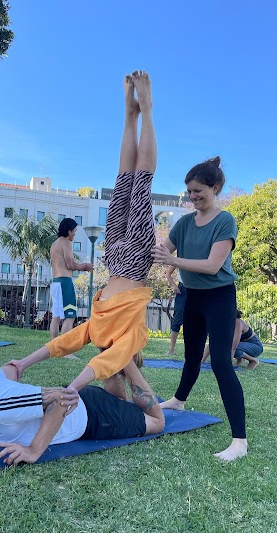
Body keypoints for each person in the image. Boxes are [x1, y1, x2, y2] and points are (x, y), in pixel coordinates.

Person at [9, 70, 157, 393]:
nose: (106, 377)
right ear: (121, 369)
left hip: (116, 259)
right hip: (136, 259)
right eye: (111, 379)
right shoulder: (133, 340)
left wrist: (23, 363)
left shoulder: (99, 333)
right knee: (140, 181)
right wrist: (74, 387)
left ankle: (129, 117)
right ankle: (146, 108)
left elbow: (62, 344)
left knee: (123, 181)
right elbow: (101, 366)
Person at [151, 156, 248, 461]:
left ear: (215, 187)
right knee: (191, 356)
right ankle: (179, 400)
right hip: (192, 296)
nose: (192, 197)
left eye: (198, 191)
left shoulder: (224, 221)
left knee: (220, 362)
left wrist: (173, 263)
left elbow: (212, 265)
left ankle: (240, 442)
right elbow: (164, 249)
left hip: (219, 297)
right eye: (189, 192)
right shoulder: (183, 222)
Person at [0, 359, 165, 466]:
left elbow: (59, 401)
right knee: (117, 399)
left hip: (95, 417)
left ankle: (125, 360)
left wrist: (33, 450)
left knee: (157, 423)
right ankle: (114, 364)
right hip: (88, 399)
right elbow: (10, 370)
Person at [49, 218, 93, 358]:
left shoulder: (54, 244)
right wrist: (84, 267)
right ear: (68, 231)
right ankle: (65, 351)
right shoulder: (66, 242)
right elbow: (70, 264)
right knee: (70, 316)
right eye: (74, 231)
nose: (74, 234)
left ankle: (53, 348)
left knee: (56, 316)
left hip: (55, 282)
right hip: (64, 283)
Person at [166, 266, 186, 355]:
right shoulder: (179, 256)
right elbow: (168, 274)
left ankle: (190, 350)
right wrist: (174, 286)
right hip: (182, 289)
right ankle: (171, 349)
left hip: (196, 289)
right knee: (177, 320)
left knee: (193, 321)